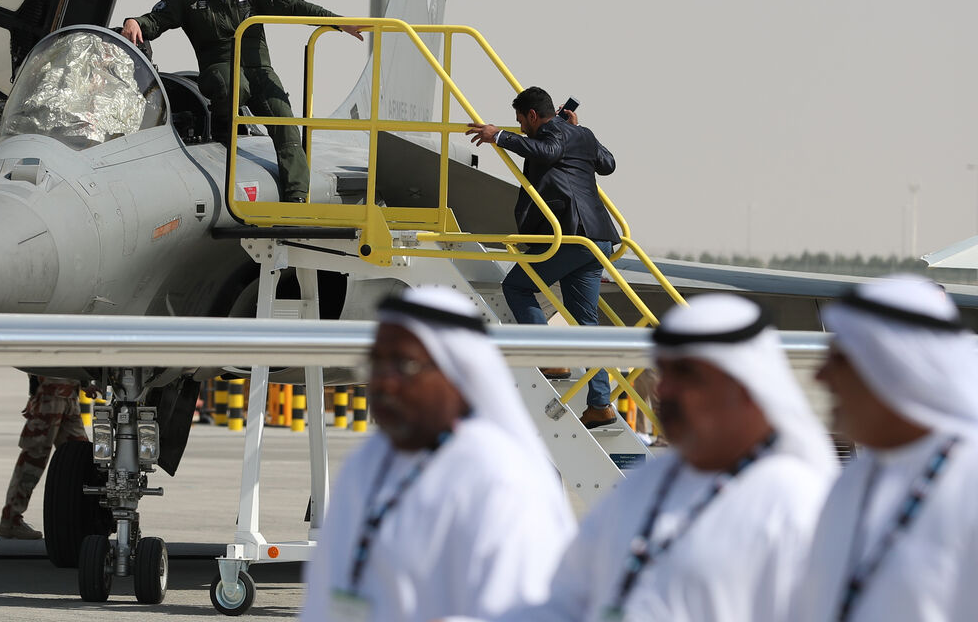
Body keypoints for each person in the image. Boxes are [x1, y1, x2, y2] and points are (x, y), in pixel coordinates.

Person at [507, 295, 836, 622]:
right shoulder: (643, 484)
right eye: (664, 372)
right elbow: (567, 599)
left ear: (746, 387)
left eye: (686, 375)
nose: (663, 391)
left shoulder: (795, 502)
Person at [300, 286, 575, 622]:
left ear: (458, 375)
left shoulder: (500, 478)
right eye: (376, 364)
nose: (384, 383)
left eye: (404, 365)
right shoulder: (367, 461)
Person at [121, 0, 364, 203]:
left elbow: (294, 6)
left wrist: (338, 21)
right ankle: (224, 125)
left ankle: (297, 197)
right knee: (234, 85)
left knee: (286, 122)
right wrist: (134, 22)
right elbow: (156, 20)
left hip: (259, 69)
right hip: (220, 67)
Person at [791, 276, 978, 621]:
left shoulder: (971, 479)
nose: (820, 377)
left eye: (841, 360)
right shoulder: (853, 481)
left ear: (896, 365)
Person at [468, 87, 622, 429]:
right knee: (586, 324)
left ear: (533, 116)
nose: (521, 127)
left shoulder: (553, 134)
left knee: (518, 287)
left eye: (521, 121)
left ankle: (551, 356)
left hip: (571, 236)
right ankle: (600, 404)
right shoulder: (581, 134)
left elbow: (549, 150)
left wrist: (500, 136)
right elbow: (607, 164)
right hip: (598, 238)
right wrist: (579, 131)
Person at [0, 374, 89, 540]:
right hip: (50, 397)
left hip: (69, 396)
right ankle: (11, 520)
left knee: (81, 458)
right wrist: (36, 394)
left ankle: (83, 521)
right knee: (33, 459)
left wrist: (84, 381)